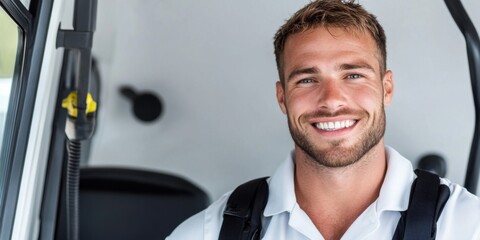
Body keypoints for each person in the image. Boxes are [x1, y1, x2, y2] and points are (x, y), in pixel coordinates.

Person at [167, 0, 480, 239]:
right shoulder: (211, 231)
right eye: (306, 80)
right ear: (282, 98)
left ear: (386, 89)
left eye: (353, 75)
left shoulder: (466, 224)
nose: (331, 99)